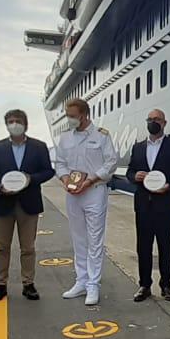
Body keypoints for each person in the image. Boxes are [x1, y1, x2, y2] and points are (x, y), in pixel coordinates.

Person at [0, 108, 55, 302]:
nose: (14, 124)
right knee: (2, 247)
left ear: (26, 124)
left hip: (29, 203)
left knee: (28, 247)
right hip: (3, 202)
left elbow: (48, 171)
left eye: (18, 121)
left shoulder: (38, 147)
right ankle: (1, 284)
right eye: (11, 121)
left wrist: (31, 179)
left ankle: (28, 284)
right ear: (6, 125)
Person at [56, 97, 118, 306]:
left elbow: (111, 162)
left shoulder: (101, 136)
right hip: (73, 194)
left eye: (73, 116)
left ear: (84, 115)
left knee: (95, 240)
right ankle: (81, 280)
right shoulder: (66, 138)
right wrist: (66, 180)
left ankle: (93, 284)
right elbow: (60, 163)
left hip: (94, 191)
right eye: (68, 116)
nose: (70, 119)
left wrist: (90, 180)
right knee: (78, 239)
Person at [125, 108, 170, 302]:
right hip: (143, 204)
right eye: (150, 119)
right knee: (143, 247)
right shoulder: (138, 147)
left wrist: (169, 186)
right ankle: (144, 285)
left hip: (165, 204)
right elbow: (130, 171)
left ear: (164, 123)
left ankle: (166, 285)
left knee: (165, 246)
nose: (153, 122)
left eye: (157, 119)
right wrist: (134, 176)